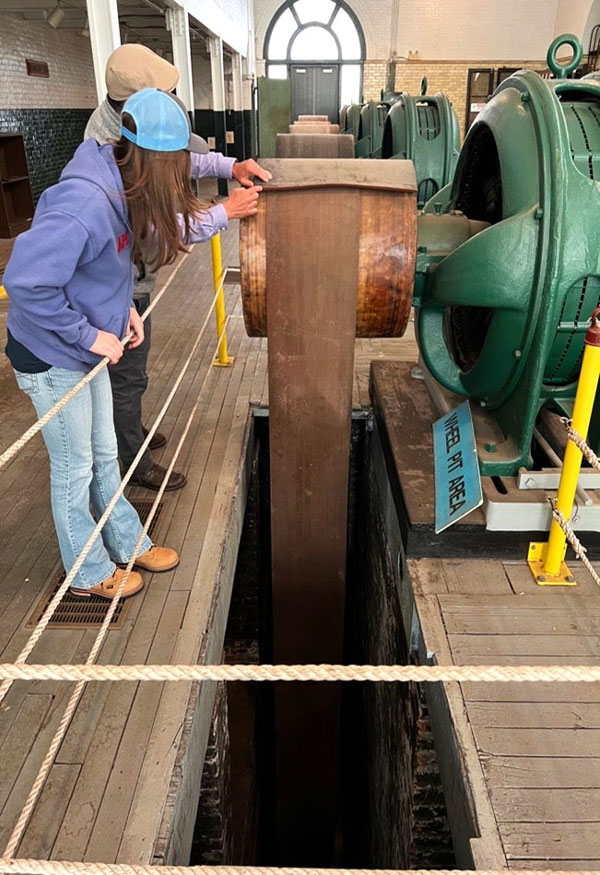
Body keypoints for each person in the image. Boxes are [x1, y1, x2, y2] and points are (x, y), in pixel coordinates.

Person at [4, 88, 262, 600]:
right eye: (178, 167)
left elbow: (96, 266)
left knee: (104, 454)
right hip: (51, 355)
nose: (183, 178)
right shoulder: (86, 203)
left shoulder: (123, 186)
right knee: (75, 468)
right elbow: (26, 282)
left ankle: (125, 539)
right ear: (151, 163)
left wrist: (120, 311)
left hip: (83, 345)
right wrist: (89, 334)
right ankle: (87, 572)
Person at [85, 44, 270, 491]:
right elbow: (156, 224)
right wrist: (226, 212)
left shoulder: (129, 129)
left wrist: (232, 164)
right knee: (126, 375)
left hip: (130, 276)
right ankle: (132, 462)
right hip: (115, 285)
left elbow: (182, 158)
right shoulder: (108, 157)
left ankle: (130, 435)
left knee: (134, 371)